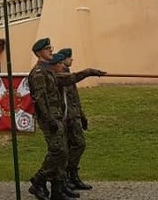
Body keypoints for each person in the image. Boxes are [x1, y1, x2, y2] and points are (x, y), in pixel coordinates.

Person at [27, 38, 104, 200]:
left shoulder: (48, 70)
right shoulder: (39, 72)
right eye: (47, 48)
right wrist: (50, 120)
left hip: (58, 117)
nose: (50, 50)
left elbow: (67, 79)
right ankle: (39, 181)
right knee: (59, 151)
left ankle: (58, 189)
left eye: (50, 47)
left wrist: (88, 72)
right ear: (38, 53)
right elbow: (39, 99)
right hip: (50, 119)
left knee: (62, 152)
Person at [57, 48, 93, 192]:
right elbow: (67, 100)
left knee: (76, 145)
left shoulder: (67, 74)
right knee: (78, 144)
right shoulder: (62, 75)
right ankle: (67, 175)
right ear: (63, 59)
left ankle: (72, 175)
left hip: (74, 115)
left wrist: (81, 115)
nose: (72, 59)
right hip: (68, 117)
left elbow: (74, 98)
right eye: (69, 57)